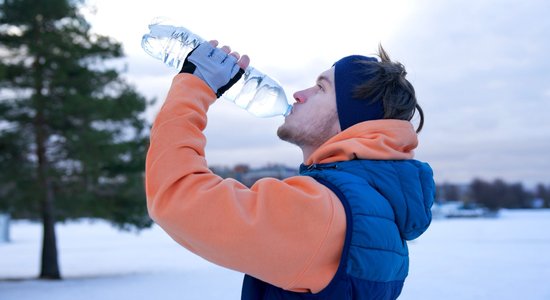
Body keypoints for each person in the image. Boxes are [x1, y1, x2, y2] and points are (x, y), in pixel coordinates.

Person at [145, 40, 435, 299]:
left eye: (321, 88)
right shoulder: (375, 208)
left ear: (352, 119)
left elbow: (177, 195)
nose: (298, 94)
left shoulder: (326, 211)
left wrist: (195, 85)